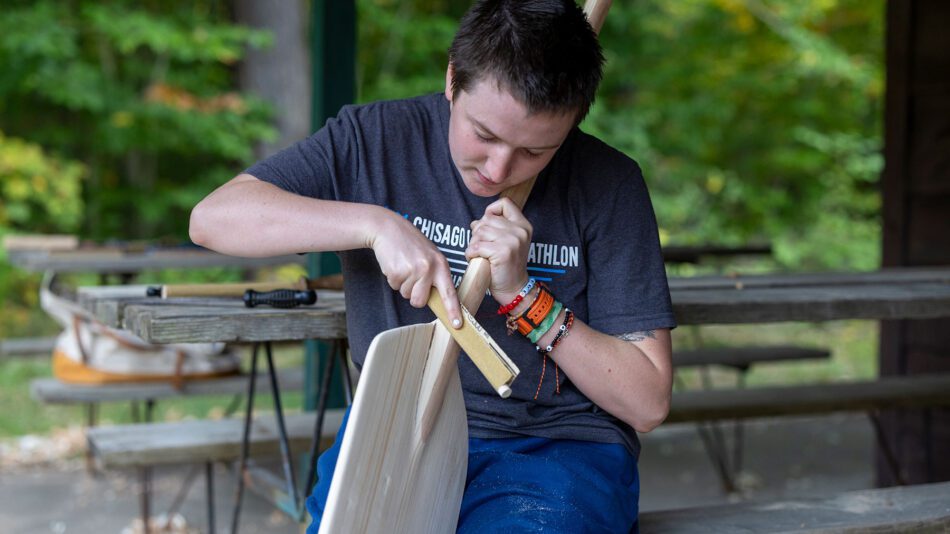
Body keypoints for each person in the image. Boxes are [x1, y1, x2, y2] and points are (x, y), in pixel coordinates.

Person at [190, 0, 676, 531]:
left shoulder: (609, 184)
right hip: (396, 425)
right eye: (484, 135)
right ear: (452, 79)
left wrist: (524, 297)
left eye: (535, 152)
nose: (497, 168)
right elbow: (214, 218)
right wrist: (375, 225)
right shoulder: (374, 141)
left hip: (555, 452)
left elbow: (646, 401)